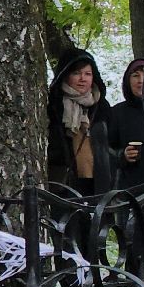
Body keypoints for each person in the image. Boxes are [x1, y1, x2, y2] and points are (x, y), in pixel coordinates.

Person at [103, 56, 144, 269]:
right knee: (133, 247)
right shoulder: (117, 113)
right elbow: (104, 151)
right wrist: (122, 155)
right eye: (135, 75)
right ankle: (134, 285)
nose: (141, 80)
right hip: (132, 191)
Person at [45, 48, 113, 195]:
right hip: (63, 184)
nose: (83, 78)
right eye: (76, 73)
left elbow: (113, 144)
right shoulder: (53, 105)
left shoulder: (102, 106)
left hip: (98, 184)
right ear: (66, 75)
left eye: (88, 74)